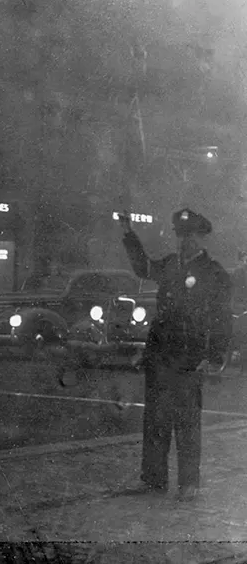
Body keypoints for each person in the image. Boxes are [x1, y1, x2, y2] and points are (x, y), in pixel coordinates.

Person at [119, 208, 232, 501]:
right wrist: (128, 233)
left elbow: (221, 318)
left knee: (186, 422)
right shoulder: (170, 265)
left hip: (189, 356)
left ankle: (188, 483)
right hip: (160, 354)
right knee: (156, 419)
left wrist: (215, 355)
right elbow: (143, 267)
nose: (184, 242)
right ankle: (153, 479)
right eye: (180, 236)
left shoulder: (214, 272)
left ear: (202, 238)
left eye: (190, 236)